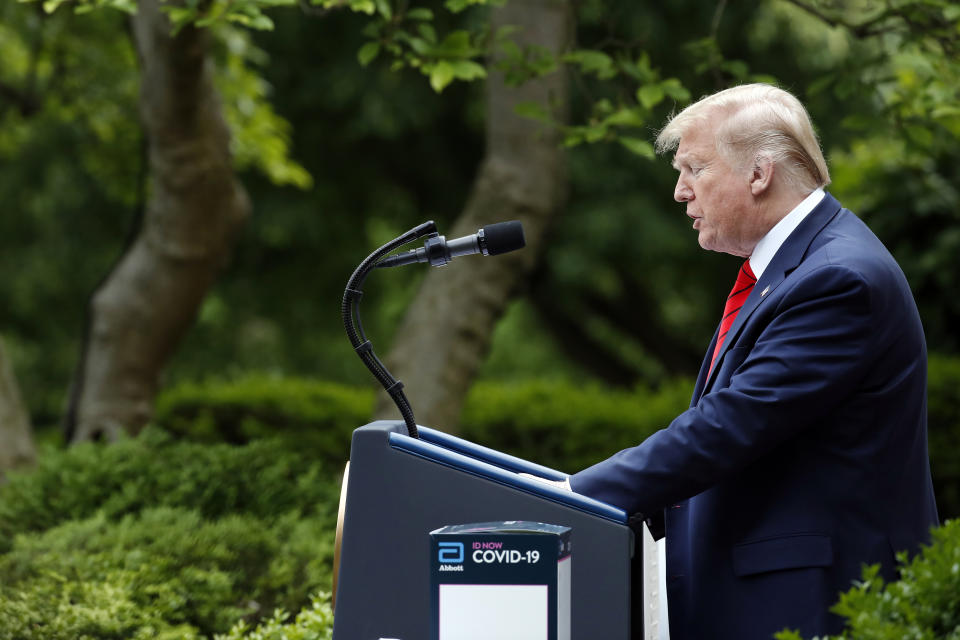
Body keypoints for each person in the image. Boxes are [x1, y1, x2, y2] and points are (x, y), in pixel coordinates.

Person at [568, 84, 939, 639]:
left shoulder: (838, 279)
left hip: (820, 605)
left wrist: (570, 497)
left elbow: (726, 428)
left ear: (759, 174)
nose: (679, 192)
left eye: (693, 168)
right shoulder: (805, 266)